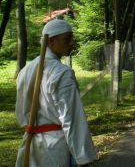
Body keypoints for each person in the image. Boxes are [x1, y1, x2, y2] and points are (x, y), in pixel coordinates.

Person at [15, 19, 97, 167]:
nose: (71, 43)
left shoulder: (25, 71)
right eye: (67, 39)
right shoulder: (62, 73)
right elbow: (71, 118)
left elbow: (21, 113)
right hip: (56, 148)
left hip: (32, 144)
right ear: (51, 41)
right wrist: (83, 157)